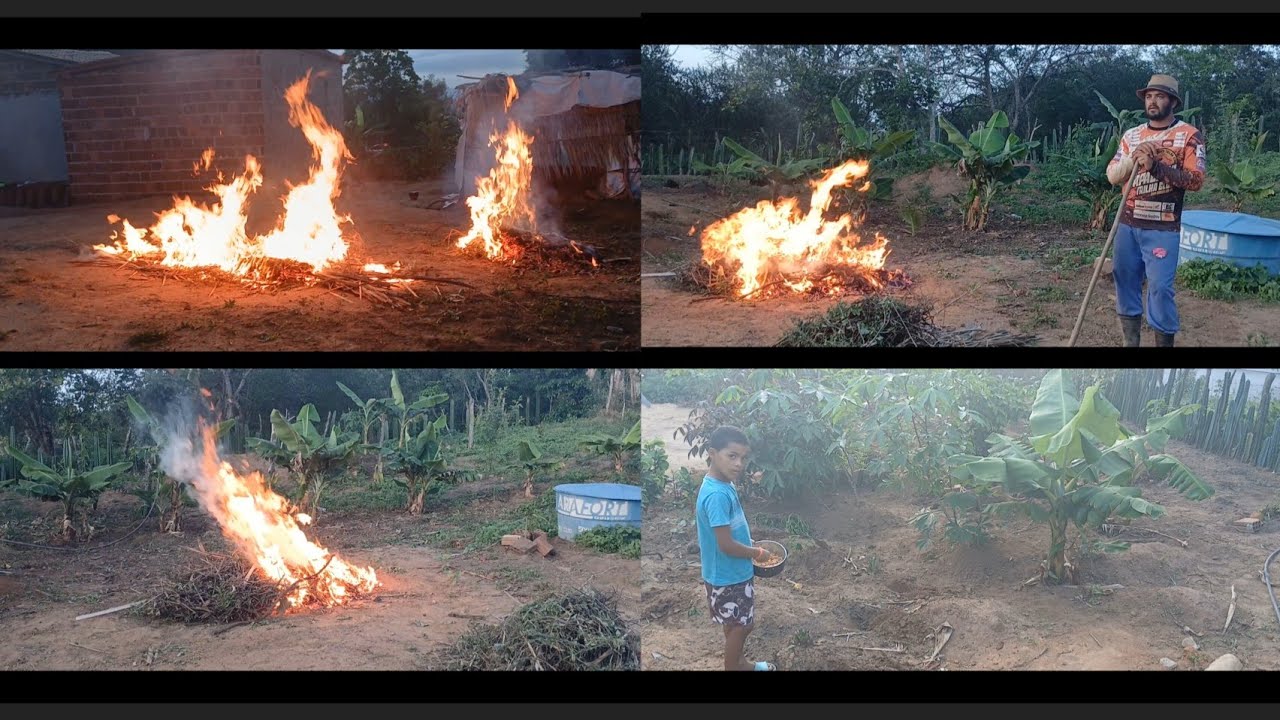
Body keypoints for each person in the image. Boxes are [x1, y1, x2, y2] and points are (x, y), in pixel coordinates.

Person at [1106, 74, 1206, 347]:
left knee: (1160, 288)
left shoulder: (1188, 136)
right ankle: (1131, 343)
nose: (1153, 101)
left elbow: (1196, 180)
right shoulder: (1132, 135)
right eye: (1149, 96)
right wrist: (1133, 157)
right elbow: (1113, 175)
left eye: (1160, 96)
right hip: (1128, 223)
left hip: (1163, 226)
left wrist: (1155, 166)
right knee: (1124, 280)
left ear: (1172, 101)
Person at [695, 425, 776, 671]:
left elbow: (729, 532)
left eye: (743, 457)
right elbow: (726, 544)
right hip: (728, 576)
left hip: (727, 572)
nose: (739, 463)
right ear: (712, 453)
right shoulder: (716, 495)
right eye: (732, 456)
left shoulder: (723, 484)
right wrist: (756, 553)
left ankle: (741, 663)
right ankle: (735, 668)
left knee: (733, 625)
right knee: (742, 626)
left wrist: (748, 544)